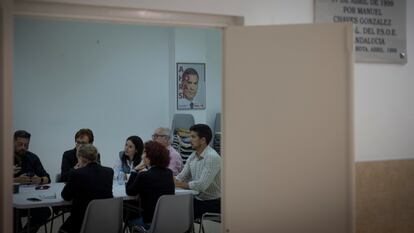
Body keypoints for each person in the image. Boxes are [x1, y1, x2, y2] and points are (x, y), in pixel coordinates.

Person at [59, 144, 113, 233]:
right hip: (106, 220)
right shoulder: (109, 172)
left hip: (82, 222)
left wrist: (74, 172)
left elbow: (65, 196)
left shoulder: (76, 174)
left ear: (81, 158)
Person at [175, 124, 221, 219]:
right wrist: (167, 179)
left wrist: (179, 184)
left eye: (193, 137)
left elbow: (201, 185)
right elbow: (181, 177)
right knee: (173, 205)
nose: (189, 140)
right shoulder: (193, 155)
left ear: (203, 140)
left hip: (212, 203)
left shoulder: (212, 157)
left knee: (177, 211)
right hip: (198, 199)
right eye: (189, 136)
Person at [126, 141, 175, 230]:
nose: (142, 155)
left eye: (144, 152)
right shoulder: (169, 173)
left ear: (149, 157)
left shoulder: (144, 175)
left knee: (128, 216)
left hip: (149, 222)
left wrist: (134, 170)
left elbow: (130, 191)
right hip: (167, 221)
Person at [13, 130, 51, 233]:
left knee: (45, 211)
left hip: (29, 199)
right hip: (9, 201)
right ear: (13, 142)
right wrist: (14, 180)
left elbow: (47, 177)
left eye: (26, 145)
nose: (23, 148)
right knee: (12, 213)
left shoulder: (32, 158)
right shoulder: (4, 156)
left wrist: (40, 179)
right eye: (20, 144)